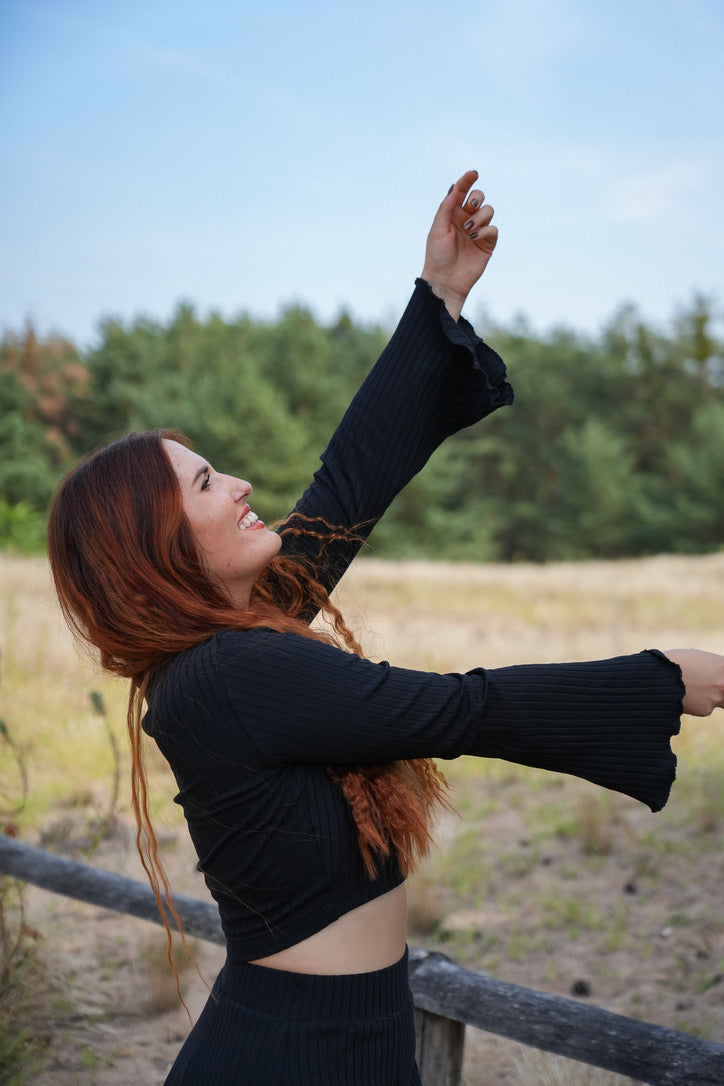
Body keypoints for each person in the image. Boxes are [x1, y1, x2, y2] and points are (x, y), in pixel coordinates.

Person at [47, 171, 724, 1086]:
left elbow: (344, 493)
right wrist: (659, 680)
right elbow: (452, 711)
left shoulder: (232, 645)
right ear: (156, 547)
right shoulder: (230, 676)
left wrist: (440, 292)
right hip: (292, 1057)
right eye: (207, 484)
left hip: (347, 1043)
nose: (241, 484)